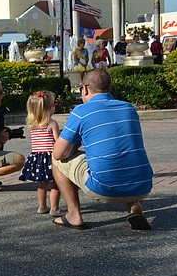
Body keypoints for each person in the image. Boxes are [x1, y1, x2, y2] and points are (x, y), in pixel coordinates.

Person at [52, 69, 153, 230]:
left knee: (56, 160)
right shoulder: (128, 109)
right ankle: (134, 206)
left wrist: (77, 141)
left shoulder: (81, 112)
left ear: (85, 88)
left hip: (104, 188)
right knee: (124, 152)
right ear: (109, 88)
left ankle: (73, 215)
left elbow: (59, 153)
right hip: (143, 185)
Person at [18, 91, 62, 216]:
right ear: (49, 108)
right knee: (56, 184)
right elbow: (58, 142)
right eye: (55, 104)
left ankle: (42, 206)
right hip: (50, 157)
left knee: (42, 184)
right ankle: (55, 208)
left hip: (37, 157)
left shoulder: (32, 125)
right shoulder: (52, 124)